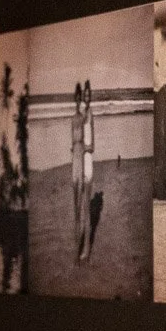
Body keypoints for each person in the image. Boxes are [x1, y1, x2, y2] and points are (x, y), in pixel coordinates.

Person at [69, 82, 86, 258]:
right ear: (75, 99)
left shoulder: (82, 118)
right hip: (74, 157)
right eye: (77, 98)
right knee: (75, 203)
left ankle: (80, 248)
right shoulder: (72, 119)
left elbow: (85, 141)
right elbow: (71, 143)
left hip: (81, 155)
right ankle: (76, 248)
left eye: (80, 98)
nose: (78, 101)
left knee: (80, 201)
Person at [80, 79, 96, 260]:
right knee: (82, 206)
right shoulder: (81, 112)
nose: (87, 97)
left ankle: (86, 249)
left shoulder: (91, 113)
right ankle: (83, 246)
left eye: (89, 95)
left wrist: (87, 148)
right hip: (80, 159)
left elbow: (93, 144)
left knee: (87, 206)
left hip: (88, 160)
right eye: (85, 95)